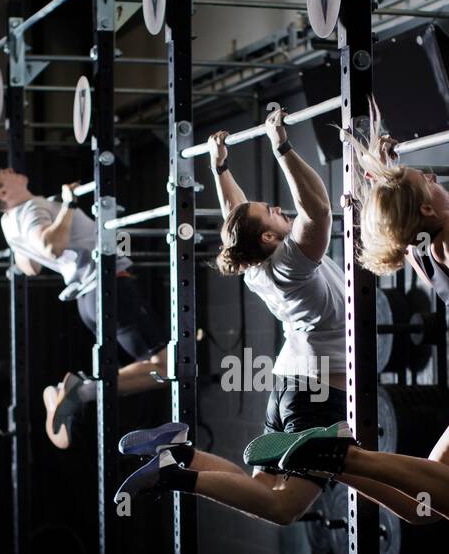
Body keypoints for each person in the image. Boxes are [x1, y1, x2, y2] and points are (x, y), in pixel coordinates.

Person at [116, 109, 425, 526]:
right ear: (267, 237)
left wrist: (219, 166)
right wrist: (281, 144)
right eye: (272, 212)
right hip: (315, 400)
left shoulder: (254, 266)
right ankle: (174, 475)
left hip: (292, 391)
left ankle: (180, 452)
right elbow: (315, 208)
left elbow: (236, 211)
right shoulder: (289, 265)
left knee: (263, 489)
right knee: (283, 507)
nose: (280, 209)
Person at [260, 106, 449, 536]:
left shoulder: (419, 247)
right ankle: (347, 456)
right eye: (428, 182)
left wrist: (389, 171)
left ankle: (333, 464)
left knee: (422, 508)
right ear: (426, 210)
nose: (434, 177)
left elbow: (401, 212)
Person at [0, 164, 168, 449]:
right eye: (1, 171)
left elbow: (31, 266)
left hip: (90, 298)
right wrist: (68, 204)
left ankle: (79, 391)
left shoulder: (9, 222)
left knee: (161, 367)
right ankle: (82, 393)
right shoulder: (32, 210)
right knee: (169, 367)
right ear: (4, 191)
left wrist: (52, 225)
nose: (9, 168)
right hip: (107, 288)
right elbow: (50, 248)